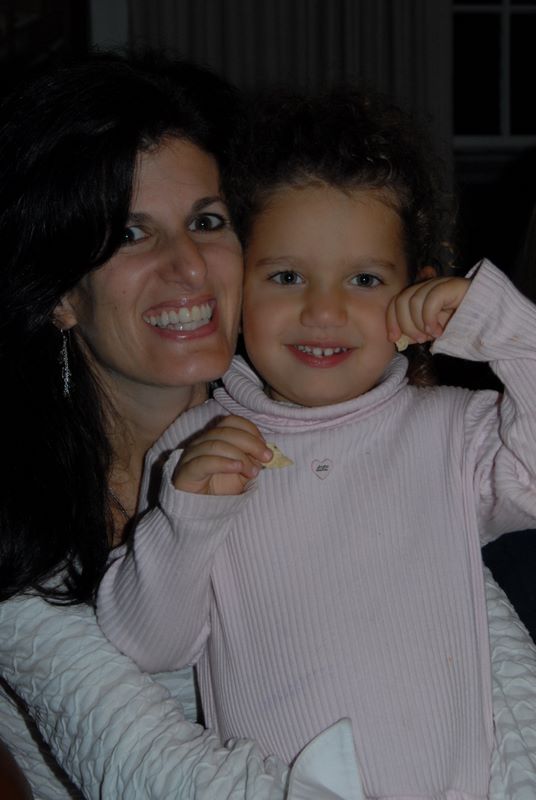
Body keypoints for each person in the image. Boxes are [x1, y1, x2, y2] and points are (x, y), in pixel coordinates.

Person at [97, 88, 536, 798]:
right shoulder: (195, 449)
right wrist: (186, 518)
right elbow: (148, 645)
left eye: (364, 279)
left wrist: (503, 327)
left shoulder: (451, 430)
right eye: (287, 276)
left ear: (418, 294)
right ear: (239, 288)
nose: (324, 310)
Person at [0, 55, 362, 799]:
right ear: (60, 293)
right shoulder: (17, 518)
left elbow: (492, 669)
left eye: (206, 221)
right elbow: (154, 773)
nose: (190, 266)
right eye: (133, 233)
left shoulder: (319, 430)